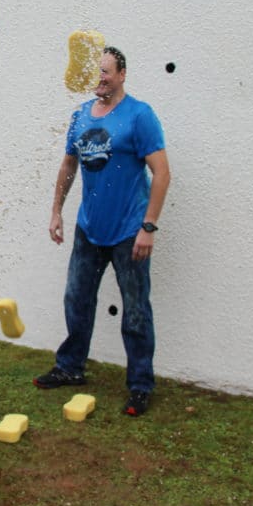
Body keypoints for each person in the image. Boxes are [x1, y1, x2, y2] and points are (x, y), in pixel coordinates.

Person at [33, 46, 171, 418]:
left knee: (136, 311)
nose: (100, 78)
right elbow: (68, 165)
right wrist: (56, 211)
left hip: (130, 231)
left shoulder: (139, 116)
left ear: (122, 74)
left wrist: (148, 227)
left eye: (107, 72)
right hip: (89, 229)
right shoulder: (79, 116)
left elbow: (162, 173)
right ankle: (70, 366)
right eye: (96, 72)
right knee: (76, 299)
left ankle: (140, 386)